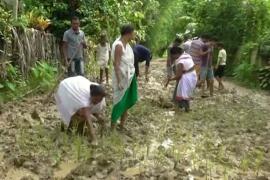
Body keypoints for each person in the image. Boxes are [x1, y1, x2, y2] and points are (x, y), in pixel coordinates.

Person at [55, 76, 106, 145]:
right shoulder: (83, 99)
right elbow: (87, 117)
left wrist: (100, 119)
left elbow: (95, 112)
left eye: (99, 100)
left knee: (85, 115)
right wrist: (94, 139)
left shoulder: (100, 98)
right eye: (96, 100)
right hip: (67, 89)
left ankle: (76, 128)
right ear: (91, 96)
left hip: (77, 84)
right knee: (82, 115)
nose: (97, 102)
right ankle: (68, 126)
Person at [111, 24, 138, 130]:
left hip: (129, 77)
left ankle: (122, 125)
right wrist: (119, 82)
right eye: (133, 33)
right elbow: (116, 65)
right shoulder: (119, 45)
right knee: (118, 101)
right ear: (128, 33)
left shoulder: (127, 45)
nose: (134, 35)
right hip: (121, 78)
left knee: (126, 101)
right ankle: (112, 127)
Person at [165, 47, 197, 112]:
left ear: (176, 54)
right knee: (186, 93)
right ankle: (186, 108)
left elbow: (178, 76)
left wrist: (170, 79)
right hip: (193, 75)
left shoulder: (180, 62)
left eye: (172, 56)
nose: (173, 57)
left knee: (181, 92)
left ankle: (178, 108)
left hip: (187, 77)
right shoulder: (187, 55)